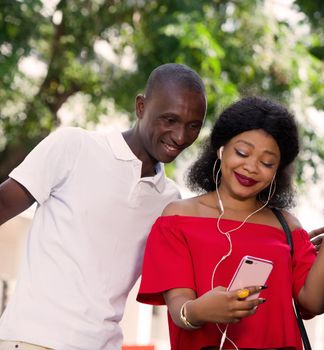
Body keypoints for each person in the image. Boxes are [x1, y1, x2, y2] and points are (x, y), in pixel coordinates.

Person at [0, 63, 208, 350]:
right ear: (141, 106)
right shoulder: (74, 146)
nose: (181, 136)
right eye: (169, 119)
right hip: (32, 339)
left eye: (193, 125)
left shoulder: (170, 203)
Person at [136, 96, 324, 350]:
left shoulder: (288, 227)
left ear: (277, 171)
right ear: (221, 149)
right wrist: (201, 310)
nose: (251, 167)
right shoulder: (178, 219)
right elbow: (179, 308)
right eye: (242, 152)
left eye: (267, 162)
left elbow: (315, 302)